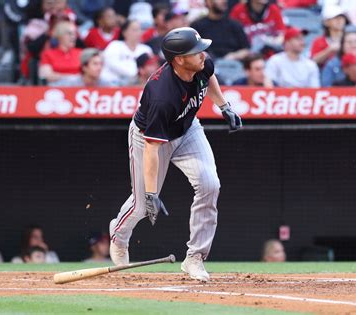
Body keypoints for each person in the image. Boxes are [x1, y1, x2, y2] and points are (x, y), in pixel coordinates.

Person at [108, 27, 242, 282]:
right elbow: (152, 147)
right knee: (141, 205)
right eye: (196, 50)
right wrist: (150, 195)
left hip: (188, 129)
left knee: (210, 184)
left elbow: (209, 76)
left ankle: (195, 258)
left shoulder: (201, 63)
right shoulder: (162, 95)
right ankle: (118, 234)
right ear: (179, 59)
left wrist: (224, 106)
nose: (203, 53)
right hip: (150, 139)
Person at [101, 20, 153, 86]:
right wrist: (135, 72)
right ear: (124, 32)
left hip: (138, 86)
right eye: (134, 30)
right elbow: (113, 64)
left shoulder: (146, 49)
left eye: (140, 30)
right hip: (111, 85)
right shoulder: (115, 45)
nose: (139, 33)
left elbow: (151, 68)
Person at [39, 21, 83, 85]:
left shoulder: (81, 53)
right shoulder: (48, 54)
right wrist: (72, 77)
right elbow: (47, 75)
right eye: (69, 33)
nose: (73, 37)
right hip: (57, 88)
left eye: (74, 34)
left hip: (80, 87)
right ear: (60, 36)